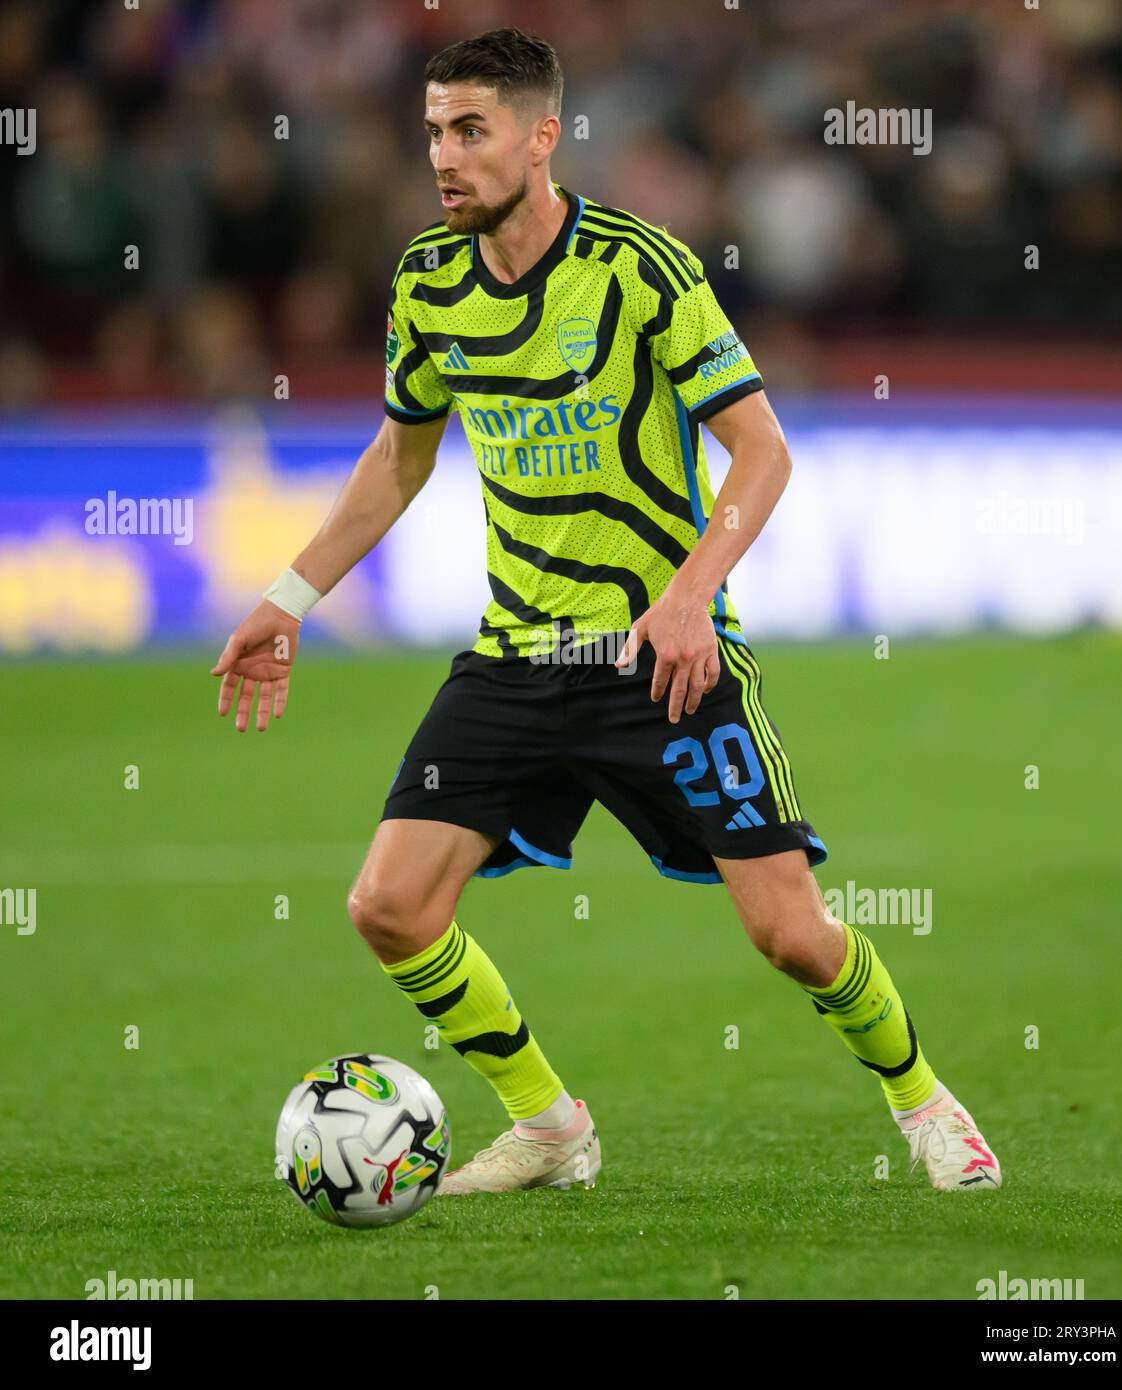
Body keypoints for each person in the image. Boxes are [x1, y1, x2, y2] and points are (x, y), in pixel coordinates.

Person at [213, 27, 1000, 1196]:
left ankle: (924, 1103)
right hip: (516, 659)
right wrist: (285, 597)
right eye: (433, 129)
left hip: (660, 659)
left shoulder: (641, 268)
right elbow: (397, 456)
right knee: (387, 905)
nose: (444, 154)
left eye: (470, 129)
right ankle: (548, 1125)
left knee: (789, 933)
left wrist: (690, 600)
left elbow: (760, 452)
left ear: (541, 137)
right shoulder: (427, 281)